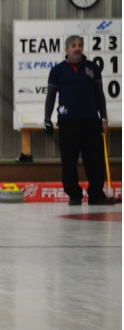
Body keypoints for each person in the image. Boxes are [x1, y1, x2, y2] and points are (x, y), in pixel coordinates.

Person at [44, 35, 114, 206]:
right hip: (68, 122)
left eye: (80, 45)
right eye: (73, 46)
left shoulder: (93, 68)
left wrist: (103, 118)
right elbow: (51, 96)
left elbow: (100, 95)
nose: (77, 48)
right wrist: (47, 119)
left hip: (91, 121)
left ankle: (96, 195)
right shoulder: (57, 71)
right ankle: (74, 195)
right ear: (66, 50)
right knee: (69, 162)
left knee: (95, 161)